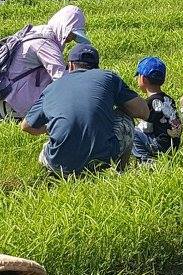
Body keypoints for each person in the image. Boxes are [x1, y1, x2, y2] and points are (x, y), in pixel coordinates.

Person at [18, 42, 146, 177]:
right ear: (97, 65)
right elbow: (142, 111)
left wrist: (50, 128)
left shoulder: (52, 87)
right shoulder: (108, 77)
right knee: (126, 118)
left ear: (71, 65)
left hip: (59, 165)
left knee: (46, 149)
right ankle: (120, 173)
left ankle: (52, 178)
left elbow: (26, 126)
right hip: (102, 161)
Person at [0, 5, 89, 121]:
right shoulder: (45, 44)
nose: (72, 38)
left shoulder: (38, 31)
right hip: (11, 104)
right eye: (72, 33)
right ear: (64, 27)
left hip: (4, 94)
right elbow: (62, 79)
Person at [130, 57, 183, 162]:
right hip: (174, 145)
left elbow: (146, 128)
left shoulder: (149, 103)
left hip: (160, 146)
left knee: (132, 132)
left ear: (143, 79)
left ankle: (145, 159)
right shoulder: (168, 99)